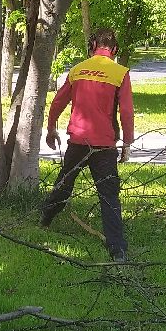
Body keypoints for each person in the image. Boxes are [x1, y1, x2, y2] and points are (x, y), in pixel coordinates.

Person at [40, 28, 135, 261]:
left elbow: (57, 102)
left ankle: (44, 220)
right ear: (114, 49)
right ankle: (117, 249)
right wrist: (127, 143)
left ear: (92, 46)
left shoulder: (78, 70)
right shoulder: (120, 73)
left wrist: (51, 128)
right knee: (109, 196)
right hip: (104, 146)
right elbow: (127, 112)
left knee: (64, 184)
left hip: (78, 142)